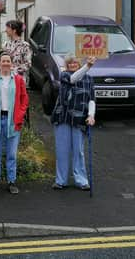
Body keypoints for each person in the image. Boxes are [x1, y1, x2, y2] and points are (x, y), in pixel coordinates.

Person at [0, 51, 29, 195]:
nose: (6, 63)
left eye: (8, 61)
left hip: (13, 120)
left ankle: (11, 181)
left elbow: (24, 99)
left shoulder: (19, 80)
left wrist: (20, 115)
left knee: (12, 154)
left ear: (12, 63)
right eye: (3, 61)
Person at [51, 54, 97, 191]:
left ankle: (81, 181)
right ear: (67, 65)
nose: (72, 65)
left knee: (78, 151)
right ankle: (61, 181)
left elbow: (92, 99)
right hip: (62, 117)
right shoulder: (64, 75)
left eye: (75, 62)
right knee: (62, 151)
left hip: (79, 119)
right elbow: (73, 79)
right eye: (70, 63)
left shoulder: (89, 79)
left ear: (79, 63)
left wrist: (91, 115)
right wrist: (88, 66)